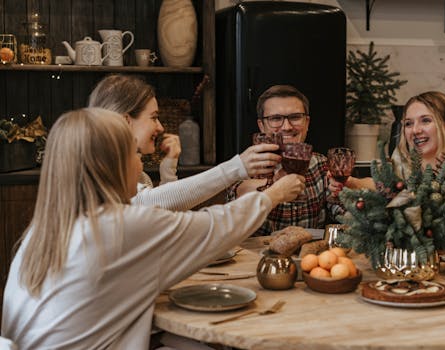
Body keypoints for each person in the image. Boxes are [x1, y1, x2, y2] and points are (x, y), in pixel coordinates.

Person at [1, 108, 305, 349]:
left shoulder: (44, 230)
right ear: (111, 165)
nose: (139, 163)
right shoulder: (119, 225)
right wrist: (273, 195)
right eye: (134, 154)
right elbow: (216, 227)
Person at [88, 74, 281, 211]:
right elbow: (145, 204)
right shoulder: (96, 173)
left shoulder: (140, 177)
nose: (161, 127)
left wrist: (168, 170)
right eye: (154, 117)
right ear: (126, 120)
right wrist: (236, 167)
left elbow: (161, 218)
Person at [331, 91, 445, 237]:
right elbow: (381, 185)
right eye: (408, 123)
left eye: (426, 120)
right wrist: (350, 182)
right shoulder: (402, 167)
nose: (415, 130)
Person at [226, 85, 345, 236]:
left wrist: (352, 197)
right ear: (261, 126)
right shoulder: (246, 164)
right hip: (254, 257)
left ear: (307, 123)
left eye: (295, 117)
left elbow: (341, 210)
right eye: (276, 119)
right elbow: (236, 196)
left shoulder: (321, 164)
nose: (287, 127)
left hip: (308, 256)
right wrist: (274, 183)